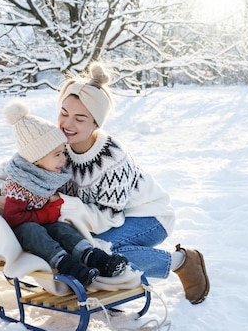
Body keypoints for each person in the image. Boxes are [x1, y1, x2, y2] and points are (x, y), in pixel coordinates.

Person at [56, 62, 210, 304]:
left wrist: (64, 205)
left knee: (103, 253)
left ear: (96, 123)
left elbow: (108, 218)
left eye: (79, 118)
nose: (67, 123)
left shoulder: (111, 157)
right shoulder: (57, 146)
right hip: (109, 220)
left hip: (149, 216)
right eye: (64, 113)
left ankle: (182, 261)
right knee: (81, 251)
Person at [0, 100, 128, 288]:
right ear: (36, 159)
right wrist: (48, 211)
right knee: (33, 230)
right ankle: (65, 264)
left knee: (62, 229)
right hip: (23, 231)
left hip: (45, 225)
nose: (64, 158)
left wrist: (52, 211)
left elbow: (53, 212)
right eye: (57, 155)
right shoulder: (19, 184)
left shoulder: (48, 174)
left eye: (62, 152)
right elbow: (14, 218)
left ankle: (94, 256)